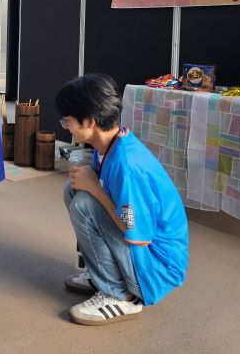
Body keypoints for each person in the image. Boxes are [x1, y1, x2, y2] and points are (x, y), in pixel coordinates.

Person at [56, 74, 189, 326]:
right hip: (144, 252)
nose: (65, 126)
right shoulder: (110, 144)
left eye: (68, 120)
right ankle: (101, 277)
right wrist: (88, 182)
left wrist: (95, 188)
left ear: (89, 121)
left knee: (85, 203)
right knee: (72, 190)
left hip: (157, 267)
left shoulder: (127, 165)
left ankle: (121, 294)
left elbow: (135, 230)